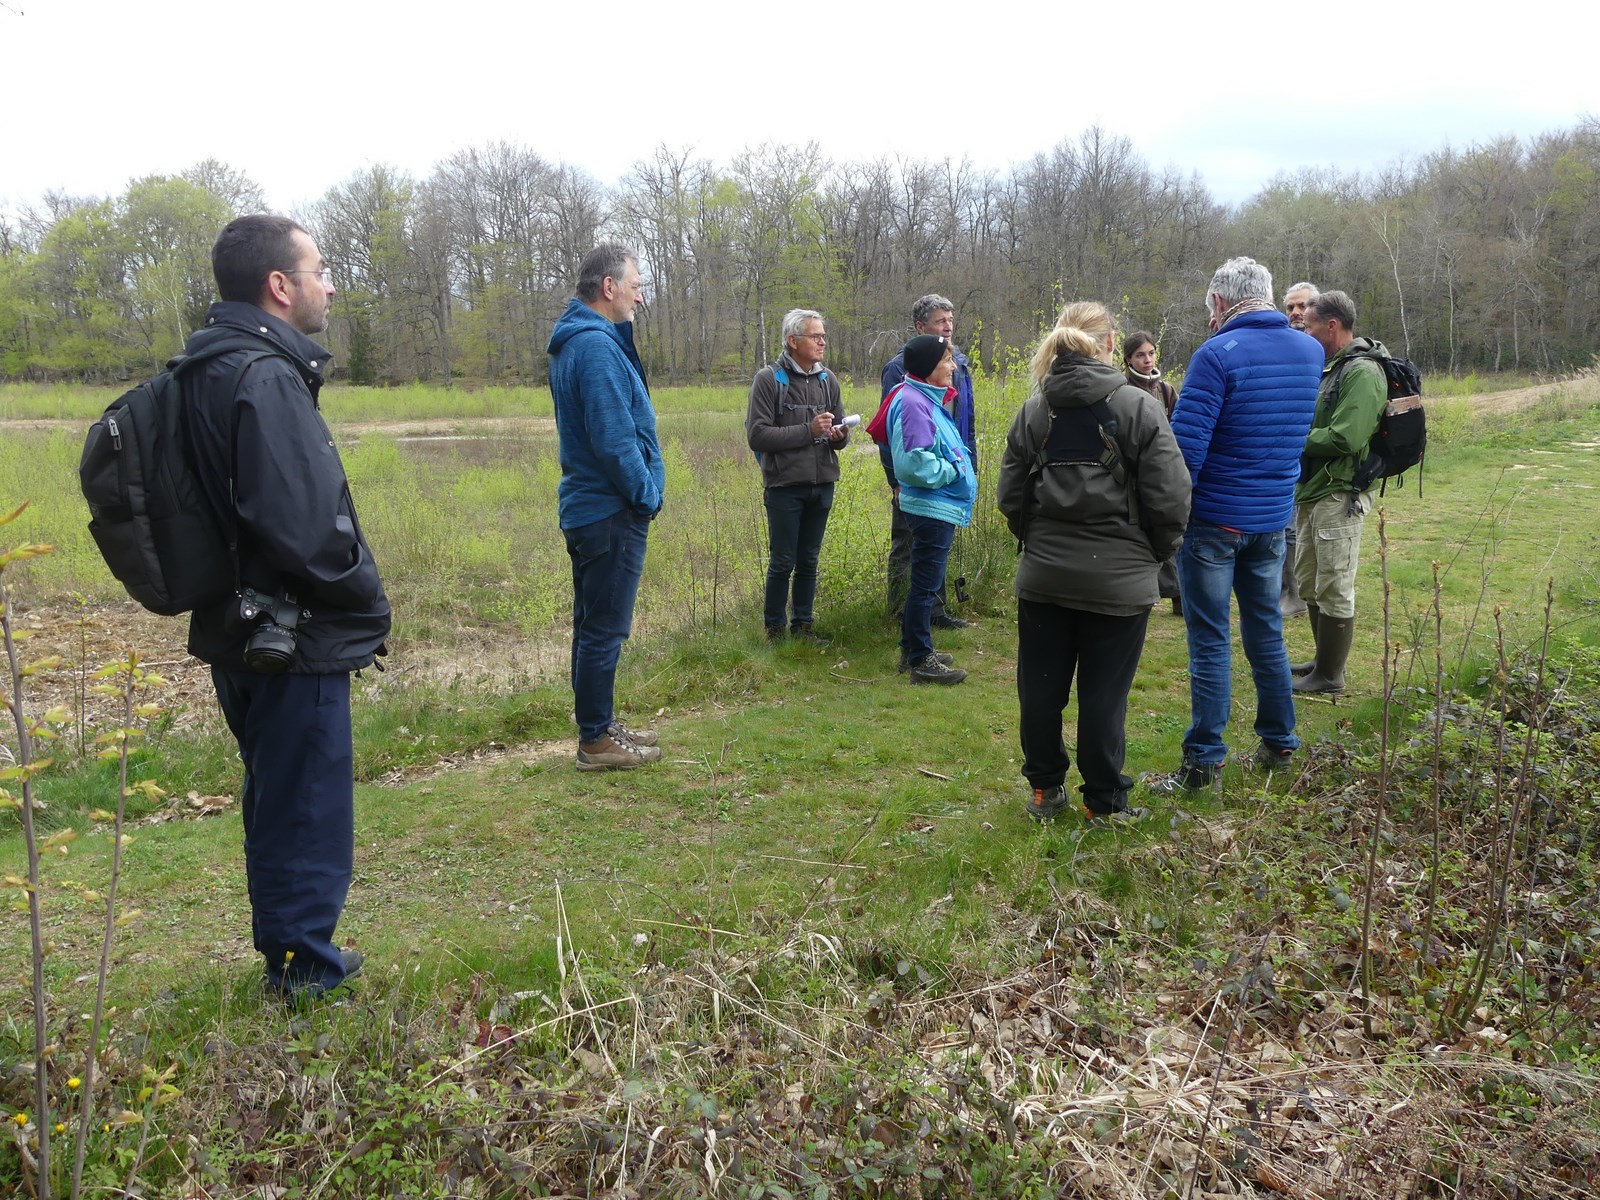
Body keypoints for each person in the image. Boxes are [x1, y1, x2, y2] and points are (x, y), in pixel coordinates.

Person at [182, 215, 390, 1003]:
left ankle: (292, 953)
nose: (329, 284)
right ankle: (302, 971)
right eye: (319, 269)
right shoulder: (265, 377)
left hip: (237, 625)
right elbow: (305, 525)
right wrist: (365, 592)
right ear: (280, 285)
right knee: (303, 801)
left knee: (276, 794)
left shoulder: (207, 365)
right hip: (289, 631)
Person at [998, 304, 1191, 823]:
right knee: (1104, 697)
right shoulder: (1139, 407)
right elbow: (1172, 498)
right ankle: (1104, 803)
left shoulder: (1034, 411)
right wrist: (1152, 555)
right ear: (1108, 345)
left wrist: (1038, 543)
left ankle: (1045, 791)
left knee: (1039, 690)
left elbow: (1010, 497)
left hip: (1043, 578)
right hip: (1120, 585)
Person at [1145, 257, 1321, 793]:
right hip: (1271, 519)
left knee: (1211, 639)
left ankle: (1204, 763)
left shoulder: (1215, 355)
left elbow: (1184, 455)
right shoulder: (1310, 350)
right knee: (1266, 630)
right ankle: (1279, 743)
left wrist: (1162, 521)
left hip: (1216, 523)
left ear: (1219, 304)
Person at [547, 243, 666, 770]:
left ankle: (599, 724)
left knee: (594, 623)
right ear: (608, 287)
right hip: (609, 509)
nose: (641, 295)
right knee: (604, 628)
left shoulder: (591, 341)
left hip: (596, 509)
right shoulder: (593, 348)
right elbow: (614, 440)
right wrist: (646, 495)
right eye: (636, 284)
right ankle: (595, 741)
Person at [1292, 289, 1387, 695]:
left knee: (1334, 582)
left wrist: (1293, 437)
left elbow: (1347, 437)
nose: (1305, 330)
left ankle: (1331, 676)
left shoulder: (1363, 372)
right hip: (1316, 488)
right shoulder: (1333, 367)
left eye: (1310, 324)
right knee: (1311, 579)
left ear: (1332, 325)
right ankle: (1322, 660)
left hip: (1340, 491)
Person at [745, 309, 849, 643]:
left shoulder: (827, 380)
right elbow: (757, 436)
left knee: (809, 560)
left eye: (823, 336)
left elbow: (843, 434)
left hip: (822, 485)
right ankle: (775, 633)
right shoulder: (769, 379)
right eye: (815, 336)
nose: (822, 342)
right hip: (784, 487)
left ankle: (804, 628)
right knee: (782, 561)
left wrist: (838, 435)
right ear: (793, 341)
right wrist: (808, 429)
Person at [885, 335, 977, 683]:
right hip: (931, 507)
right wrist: (954, 470)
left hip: (935, 506)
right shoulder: (913, 403)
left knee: (924, 582)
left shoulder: (922, 398)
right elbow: (913, 465)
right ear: (928, 367)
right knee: (925, 585)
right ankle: (922, 661)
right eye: (947, 361)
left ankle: (912, 648)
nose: (953, 367)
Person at [1122, 330, 1182, 615]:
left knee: (1169, 527)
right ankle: (1146, 591)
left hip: (1164, 467)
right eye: (1140, 355)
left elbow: (1179, 428)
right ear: (1128, 359)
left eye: (1151, 353)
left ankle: (1178, 595)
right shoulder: (1122, 389)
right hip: (1134, 470)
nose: (1147, 360)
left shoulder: (1166, 390)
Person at [1278, 280, 1321, 618]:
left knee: (1308, 528)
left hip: (1319, 451)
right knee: (1286, 526)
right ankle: (1290, 595)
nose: (1296, 312)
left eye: (1302, 306)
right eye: (1290, 307)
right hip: (1285, 448)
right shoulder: (1281, 344)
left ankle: (1307, 595)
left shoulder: (1326, 349)